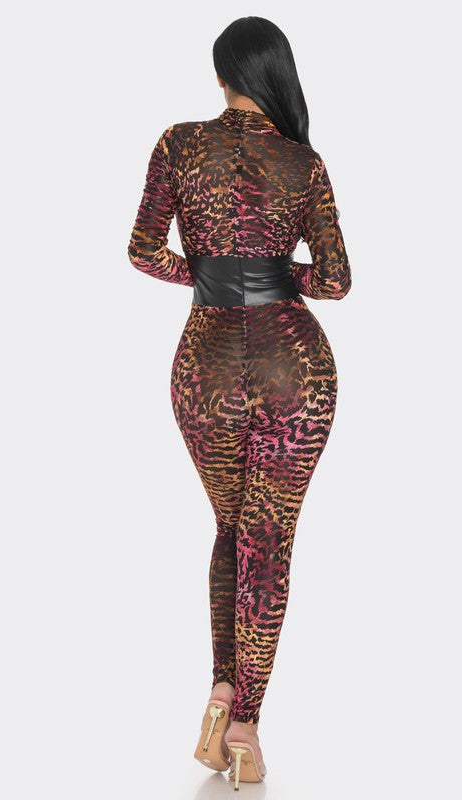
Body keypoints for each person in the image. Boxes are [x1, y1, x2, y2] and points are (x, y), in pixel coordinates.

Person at [127, 15, 352, 788]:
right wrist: (277, 274)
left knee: (231, 529)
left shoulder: (178, 144)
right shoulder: (303, 163)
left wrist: (208, 273)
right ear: (275, 75)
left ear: (221, 74)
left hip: (207, 365)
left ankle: (223, 690)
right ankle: (246, 724)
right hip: (296, 367)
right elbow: (335, 281)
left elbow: (143, 251)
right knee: (269, 540)